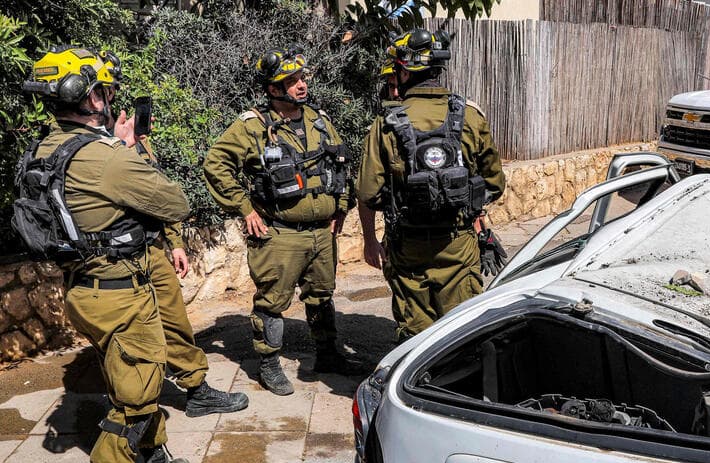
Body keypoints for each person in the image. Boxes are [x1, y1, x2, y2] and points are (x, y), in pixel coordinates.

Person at [16, 47, 194, 463]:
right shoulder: (105, 157)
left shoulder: (45, 148)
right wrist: (130, 149)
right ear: (91, 96)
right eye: (105, 89)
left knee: (128, 377)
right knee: (136, 396)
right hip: (120, 295)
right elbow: (175, 202)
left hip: (84, 291)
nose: (111, 97)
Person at [203, 45, 353, 395]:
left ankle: (328, 355)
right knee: (272, 301)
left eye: (302, 78)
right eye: (292, 81)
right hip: (280, 234)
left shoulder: (319, 119)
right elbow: (216, 165)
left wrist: (341, 205)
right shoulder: (252, 126)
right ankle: (269, 363)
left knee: (321, 295)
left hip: (320, 233)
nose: (301, 85)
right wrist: (244, 208)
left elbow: (340, 163)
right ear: (272, 89)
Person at [356, 29, 507, 342]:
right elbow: (495, 184)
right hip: (459, 245)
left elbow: (369, 193)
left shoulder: (384, 124)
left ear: (404, 70)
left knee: (416, 337)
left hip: (408, 248)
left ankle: (415, 387)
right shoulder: (470, 116)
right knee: (461, 334)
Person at [134, 138, 249, 417]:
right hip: (104, 261)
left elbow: (162, 194)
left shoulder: (133, 142)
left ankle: (197, 390)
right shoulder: (80, 147)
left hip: (149, 249)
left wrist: (174, 242)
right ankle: (132, 406)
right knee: (127, 336)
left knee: (174, 321)